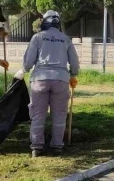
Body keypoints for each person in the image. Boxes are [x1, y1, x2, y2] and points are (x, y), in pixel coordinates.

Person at [21, 10, 80, 157]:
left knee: (38, 115)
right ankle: (57, 146)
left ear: (44, 22)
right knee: (59, 115)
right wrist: (73, 75)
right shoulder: (65, 39)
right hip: (61, 80)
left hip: (39, 80)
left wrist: (25, 70)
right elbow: (75, 63)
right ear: (58, 23)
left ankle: (36, 147)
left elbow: (28, 62)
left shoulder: (38, 37)